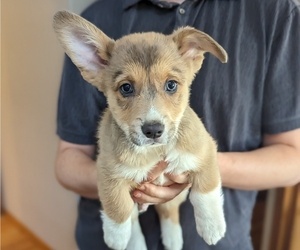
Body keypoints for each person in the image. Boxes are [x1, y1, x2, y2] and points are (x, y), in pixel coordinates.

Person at [55, 0, 300, 249]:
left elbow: (294, 159)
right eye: (127, 88)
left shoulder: (273, 12)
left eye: (170, 85)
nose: (152, 118)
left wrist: (197, 170)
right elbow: (67, 162)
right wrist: (119, 183)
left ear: (194, 54)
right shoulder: (98, 16)